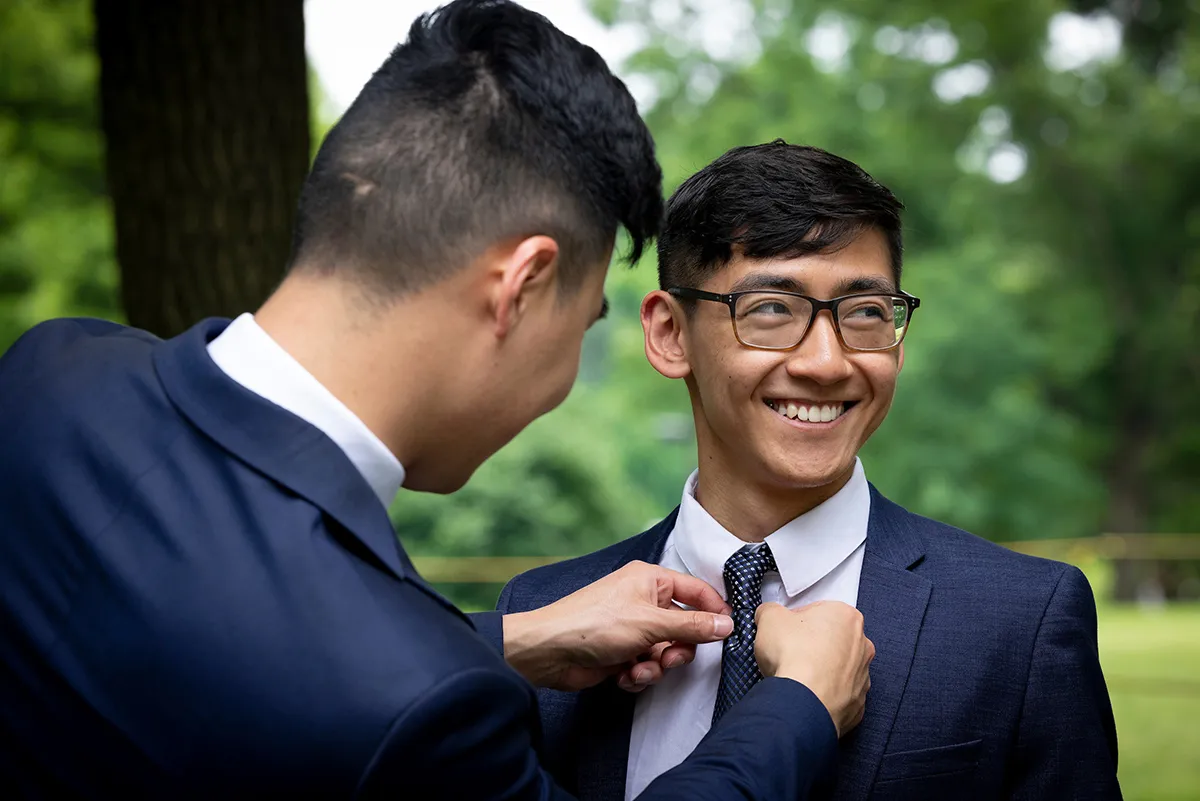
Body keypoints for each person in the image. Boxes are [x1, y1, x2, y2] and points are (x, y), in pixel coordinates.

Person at [0, 3, 876, 799]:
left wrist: (509, 639)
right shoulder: (416, 708)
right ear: (523, 286)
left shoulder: (50, 380)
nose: (569, 374)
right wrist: (797, 703)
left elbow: (207, 636)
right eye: (585, 318)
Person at [495, 141, 1123, 801]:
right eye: (771, 308)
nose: (827, 362)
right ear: (670, 333)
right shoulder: (537, 623)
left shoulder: (1021, 622)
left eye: (865, 313)